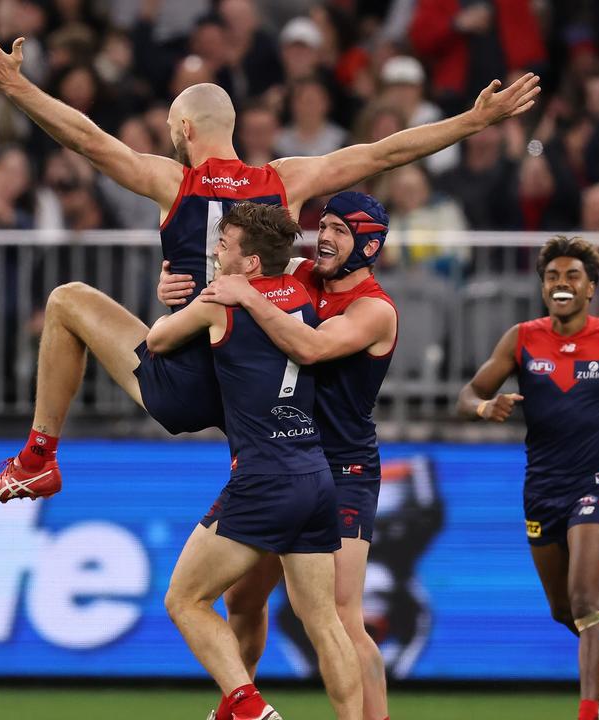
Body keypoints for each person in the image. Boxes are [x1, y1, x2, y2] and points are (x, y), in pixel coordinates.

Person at [0, 26, 539, 502]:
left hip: (187, 382)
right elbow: (382, 152)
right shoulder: (283, 182)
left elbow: (87, 139)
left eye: (170, 131)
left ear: (183, 130)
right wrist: (473, 121)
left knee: (66, 301)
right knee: (267, 594)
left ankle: (37, 457)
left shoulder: (173, 181)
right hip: (264, 389)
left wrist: (15, 87)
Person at [457, 236, 599, 720]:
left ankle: (586, 712)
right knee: (564, 611)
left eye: (572, 277)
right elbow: (468, 393)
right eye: (553, 277)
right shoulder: (521, 338)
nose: (561, 284)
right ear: (544, 287)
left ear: (591, 289)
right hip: (541, 488)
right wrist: (483, 406)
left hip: (597, 482)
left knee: (586, 600)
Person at [147, 202, 359, 720]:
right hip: (314, 475)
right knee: (324, 622)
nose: (216, 253)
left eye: (225, 246)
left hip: (264, 476)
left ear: (251, 265)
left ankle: (247, 706)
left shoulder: (221, 301)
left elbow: (156, 341)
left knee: (184, 600)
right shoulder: (303, 294)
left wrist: (172, 299)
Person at [194, 192, 397, 720]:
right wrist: (184, 289)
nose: (323, 237)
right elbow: (230, 287)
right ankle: (238, 706)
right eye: (322, 225)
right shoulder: (303, 275)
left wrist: (246, 294)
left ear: (370, 245)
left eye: (340, 231)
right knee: (241, 602)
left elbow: (307, 348)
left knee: (341, 615)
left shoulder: (373, 309)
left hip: (344, 471)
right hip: (285, 465)